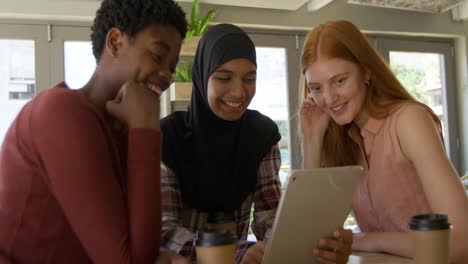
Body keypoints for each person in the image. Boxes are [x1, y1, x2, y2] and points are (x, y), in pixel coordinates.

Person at [0, 0, 187, 263]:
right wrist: (146, 126)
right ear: (115, 42)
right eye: (157, 56)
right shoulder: (60, 112)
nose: (166, 75)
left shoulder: (120, 130)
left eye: (171, 66)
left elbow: (142, 247)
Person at [160, 23, 352, 264]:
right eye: (224, 78)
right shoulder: (166, 138)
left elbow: (269, 217)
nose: (239, 92)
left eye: (249, 78)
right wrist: (234, 251)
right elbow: (164, 232)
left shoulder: (261, 135)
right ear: (202, 76)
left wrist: (301, 241)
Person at [299, 20, 468, 263]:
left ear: (366, 71)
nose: (328, 98)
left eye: (339, 81)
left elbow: (463, 241)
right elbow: (312, 239)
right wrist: (312, 139)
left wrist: (367, 239)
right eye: (316, 88)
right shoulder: (344, 139)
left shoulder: (408, 120)